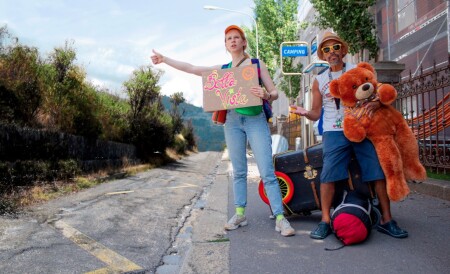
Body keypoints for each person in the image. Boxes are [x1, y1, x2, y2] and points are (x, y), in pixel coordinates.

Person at [151, 25, 295, 237]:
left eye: (237, 37)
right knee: (238, 170)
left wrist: (266, 94)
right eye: (229, 39)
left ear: (244, 42)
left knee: (266, 171)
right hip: (233, 121)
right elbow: (192, 68)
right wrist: (165, 59)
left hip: (256, 120)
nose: (233, 41)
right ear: (226, 45)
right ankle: (239, 214)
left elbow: (274, 92)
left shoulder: (256, 64)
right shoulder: (224, 69)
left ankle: (280, 218)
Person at [290, 31, 408, 239]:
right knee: (328, 174)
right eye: (326, 49)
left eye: (335, 47)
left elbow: (379, 90)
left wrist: (377, 101)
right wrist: (305, 112)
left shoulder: (357, 70)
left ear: (343, 50)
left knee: (377, 171)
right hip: (334, 132)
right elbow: (316, 113)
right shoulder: (319, 80)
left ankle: (387, 220)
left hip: (362, 128)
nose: (332, 52)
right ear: (322, 55)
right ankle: (325, 221)